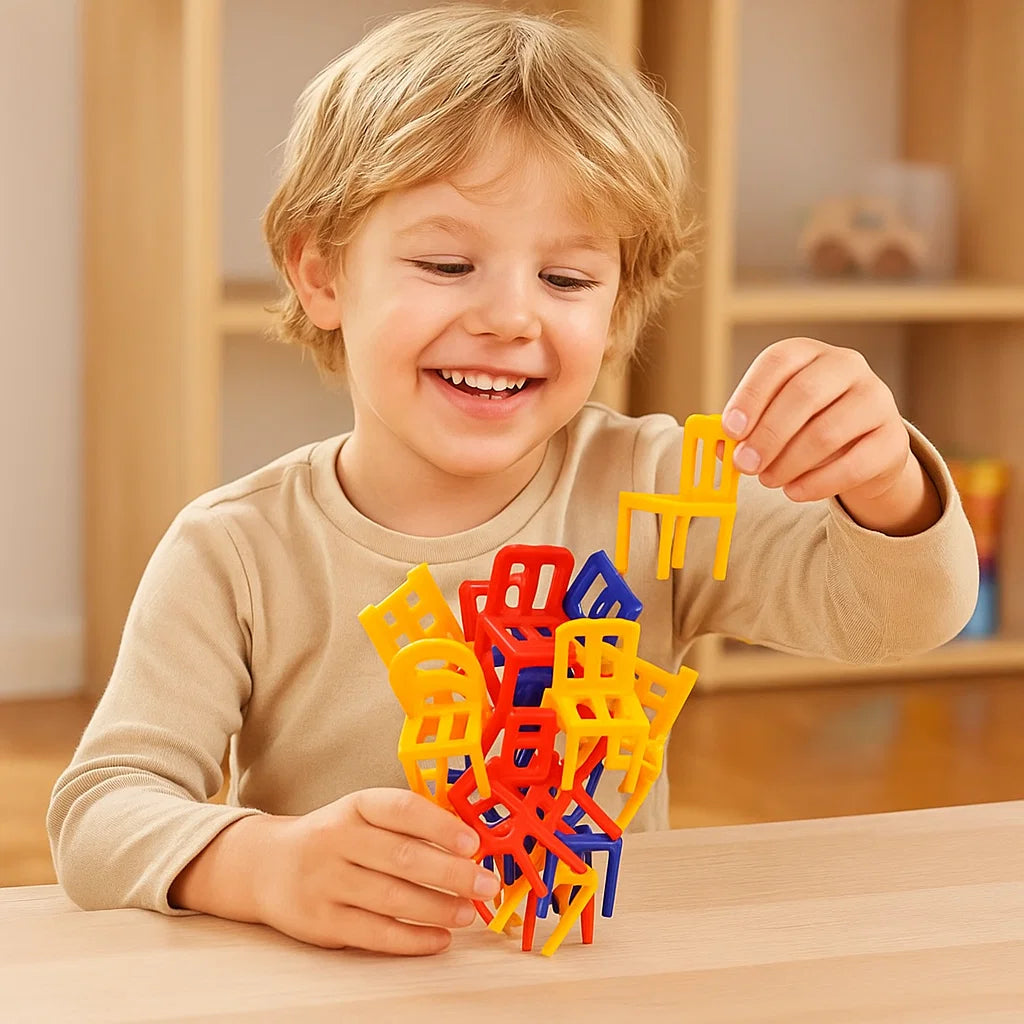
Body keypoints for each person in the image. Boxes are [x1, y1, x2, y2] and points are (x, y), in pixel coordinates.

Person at [48, 3, 978, 957]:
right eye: (447, 263)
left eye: (567, 280)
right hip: (336, 985)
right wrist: (260, 864)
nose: (508, 317)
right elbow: (103, 809)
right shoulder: (235, 551)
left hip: (581, 983)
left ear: (618, 305)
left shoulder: (654, 490)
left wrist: (883, 480)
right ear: (321, 276)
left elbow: (901, 616)